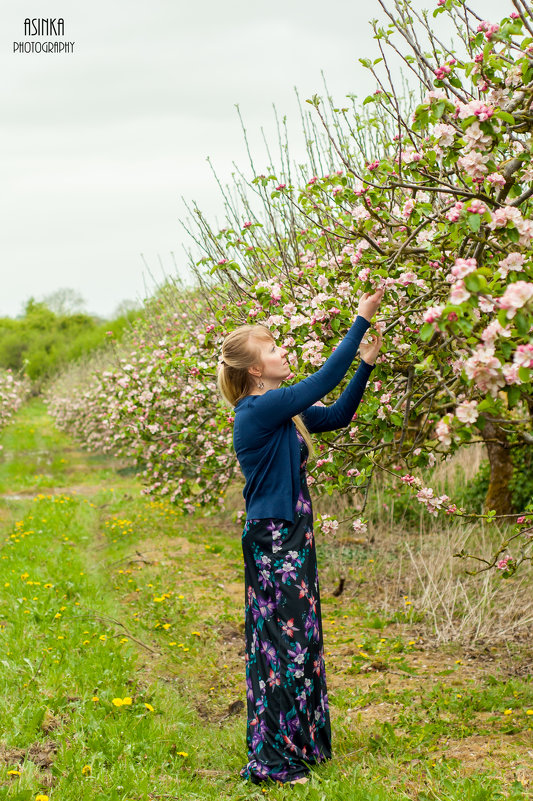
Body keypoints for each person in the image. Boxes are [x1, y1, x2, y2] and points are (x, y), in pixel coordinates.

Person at [217, 289, 384, 784]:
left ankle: (303, 743)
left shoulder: (280, 408)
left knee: (301, 640)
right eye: (272, 349)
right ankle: (273, 760)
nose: (283, 352)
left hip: (291, 534)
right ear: (254, 370)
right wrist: (360, 320)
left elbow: (335, 417)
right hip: (274, 537)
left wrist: (366, 367)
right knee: (281, 644)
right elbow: (323, 379)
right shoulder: (256, 410)